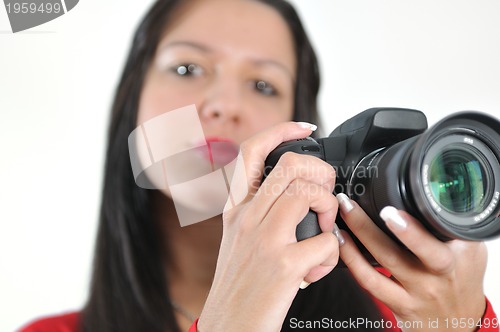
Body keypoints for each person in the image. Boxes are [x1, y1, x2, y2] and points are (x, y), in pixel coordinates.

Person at [20, 0, 498, 331]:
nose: (224, 104)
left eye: (263, 85)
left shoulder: (406, 320)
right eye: (187, 68)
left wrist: (469, 324)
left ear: (303, 130)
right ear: (132, 102)